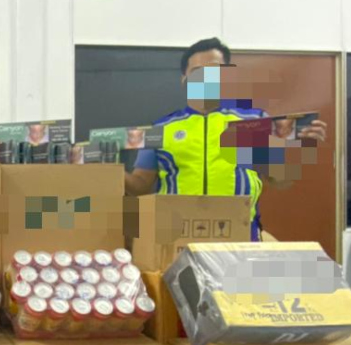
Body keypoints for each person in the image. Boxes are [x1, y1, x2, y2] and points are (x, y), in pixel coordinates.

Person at [124, 37, 327, 239]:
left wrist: (299, 150)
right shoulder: (162, 128)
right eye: (197, 72)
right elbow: (140, 185)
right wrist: (105, 169)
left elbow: (279, 180)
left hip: (239, 238)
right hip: (176, 238)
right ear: (184, 79)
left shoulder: (252, 122)